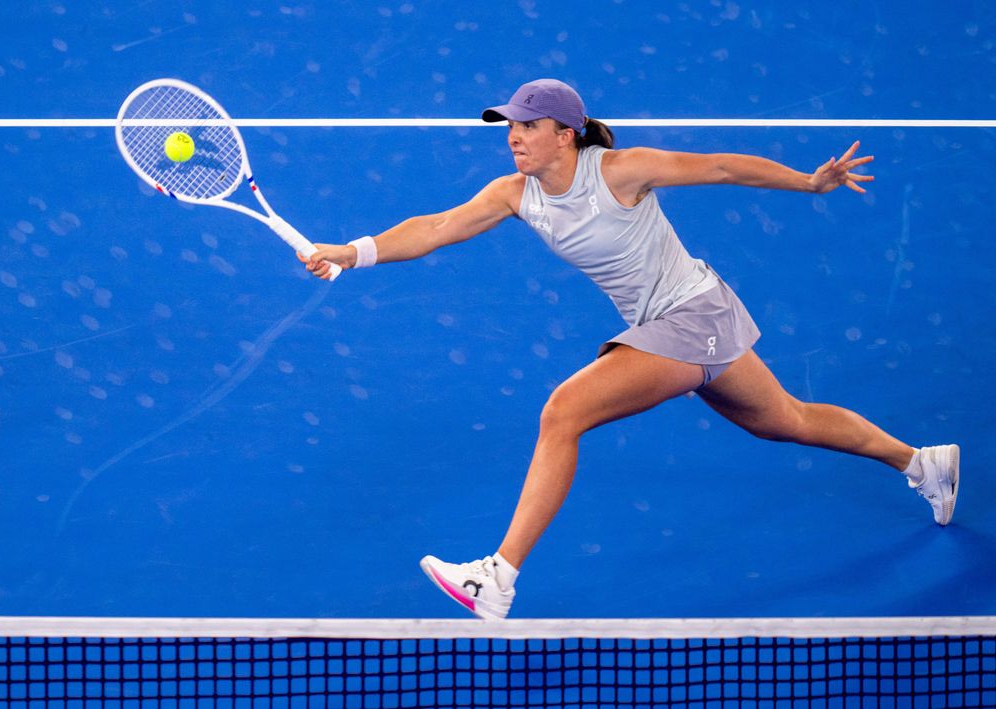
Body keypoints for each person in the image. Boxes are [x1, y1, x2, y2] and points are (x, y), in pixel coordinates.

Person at [299, 79, 960, 620]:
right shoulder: (515, 194)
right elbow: (437, 227)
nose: (513, 136)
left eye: (527, 126)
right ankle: (923, 463)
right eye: (509, 125)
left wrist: (809, 183)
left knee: (564, 411)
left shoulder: (620, 171)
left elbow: (721, 166)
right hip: (689, 322)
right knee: (787, 419)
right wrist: (351, 253)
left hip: (693, 314)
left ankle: (497, 577)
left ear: (565, 134)